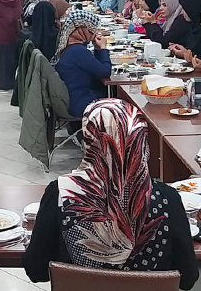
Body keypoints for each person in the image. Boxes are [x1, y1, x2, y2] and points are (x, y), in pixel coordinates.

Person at [23, 98, 198, 290]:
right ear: (141, 142)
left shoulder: (60, 193)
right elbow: (188, 278)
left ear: (90, 140)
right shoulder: (167, 200)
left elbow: (36, 271)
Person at [51, 11, 110, 118]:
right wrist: (103, 48)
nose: (95, 32)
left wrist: (97, 49)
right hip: (80, 103)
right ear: (83, 30)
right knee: (119, 100)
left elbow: (96, 68)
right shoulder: (79, 51)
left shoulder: (69, 46)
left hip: (72, 99)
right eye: (92, 29)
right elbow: (105, 72)